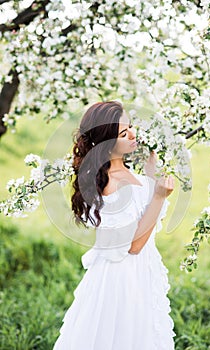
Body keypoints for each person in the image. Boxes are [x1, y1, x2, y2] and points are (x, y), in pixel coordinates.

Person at [53, 101, 176, 350]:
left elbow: (142, 217)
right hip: (123, 278)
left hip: (139, 271)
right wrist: (159, 196)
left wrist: (151, 178)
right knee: (123, 336)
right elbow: (133, 245)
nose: (133, 134)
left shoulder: (125, 174)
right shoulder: (112, 184)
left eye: (130, 126)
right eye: (123, 133)